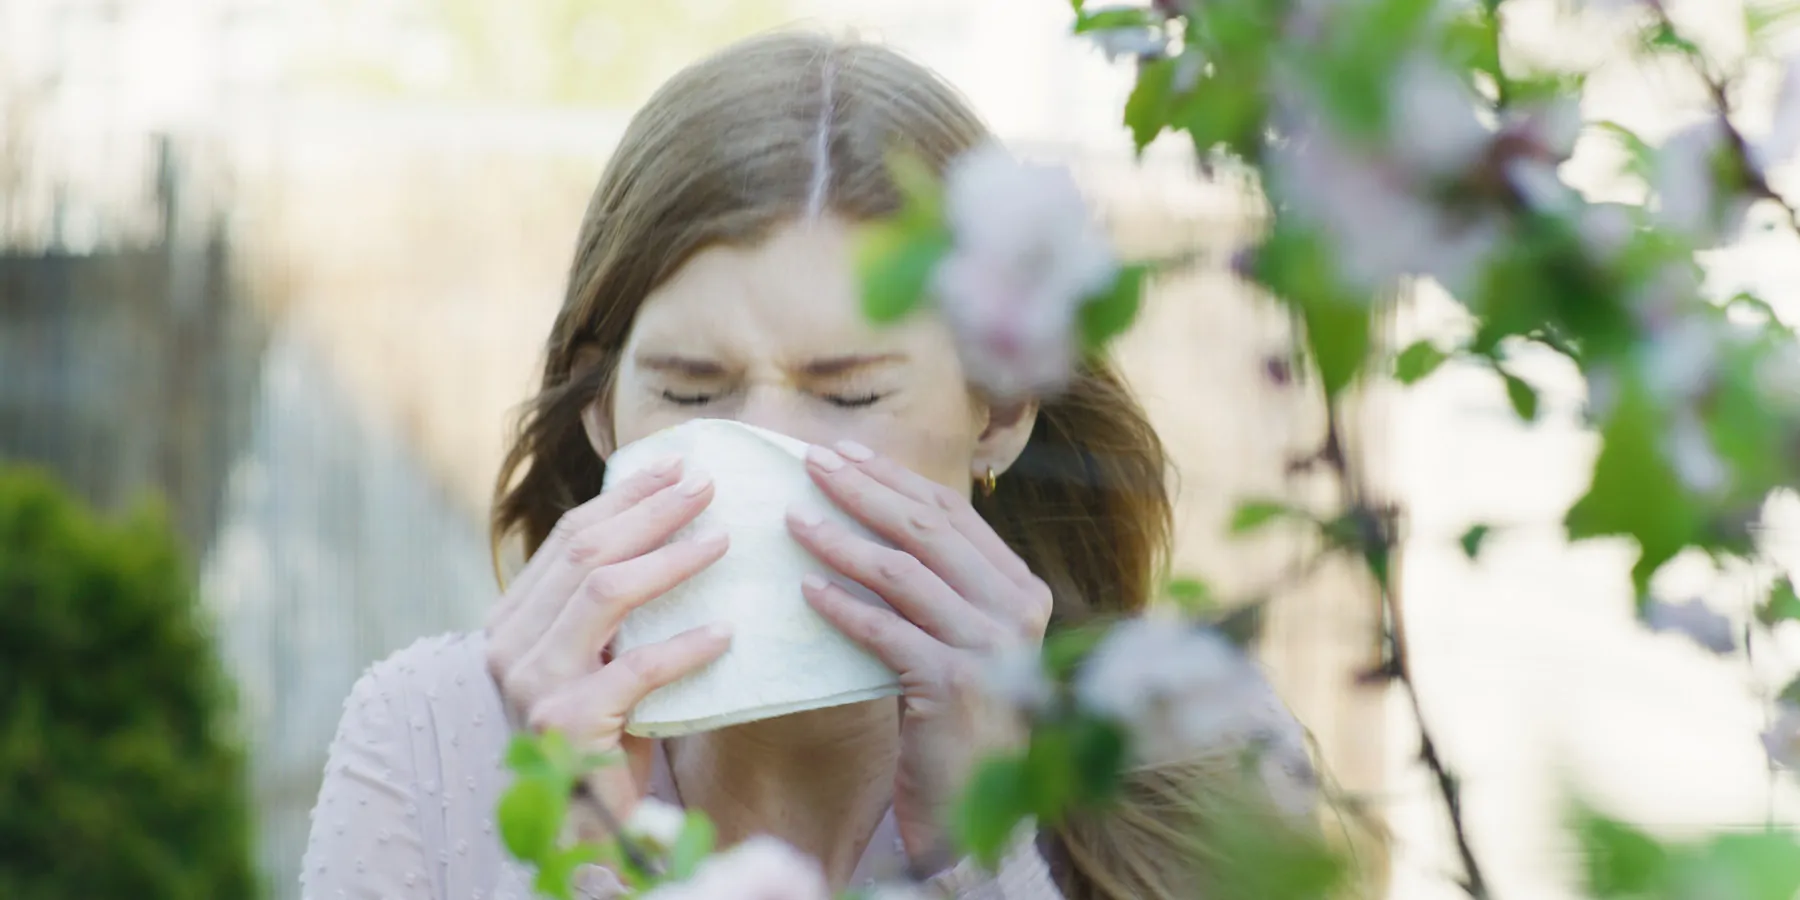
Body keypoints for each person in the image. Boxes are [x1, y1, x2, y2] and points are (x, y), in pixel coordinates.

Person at [301, 30, 1317, 900]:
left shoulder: (1200, 755)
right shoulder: (424, 737)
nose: (770, 453)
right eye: (694, 394)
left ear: (1000, 411)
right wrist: (579, 853)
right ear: (602, 413)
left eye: (849, 397)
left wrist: (984, 852)